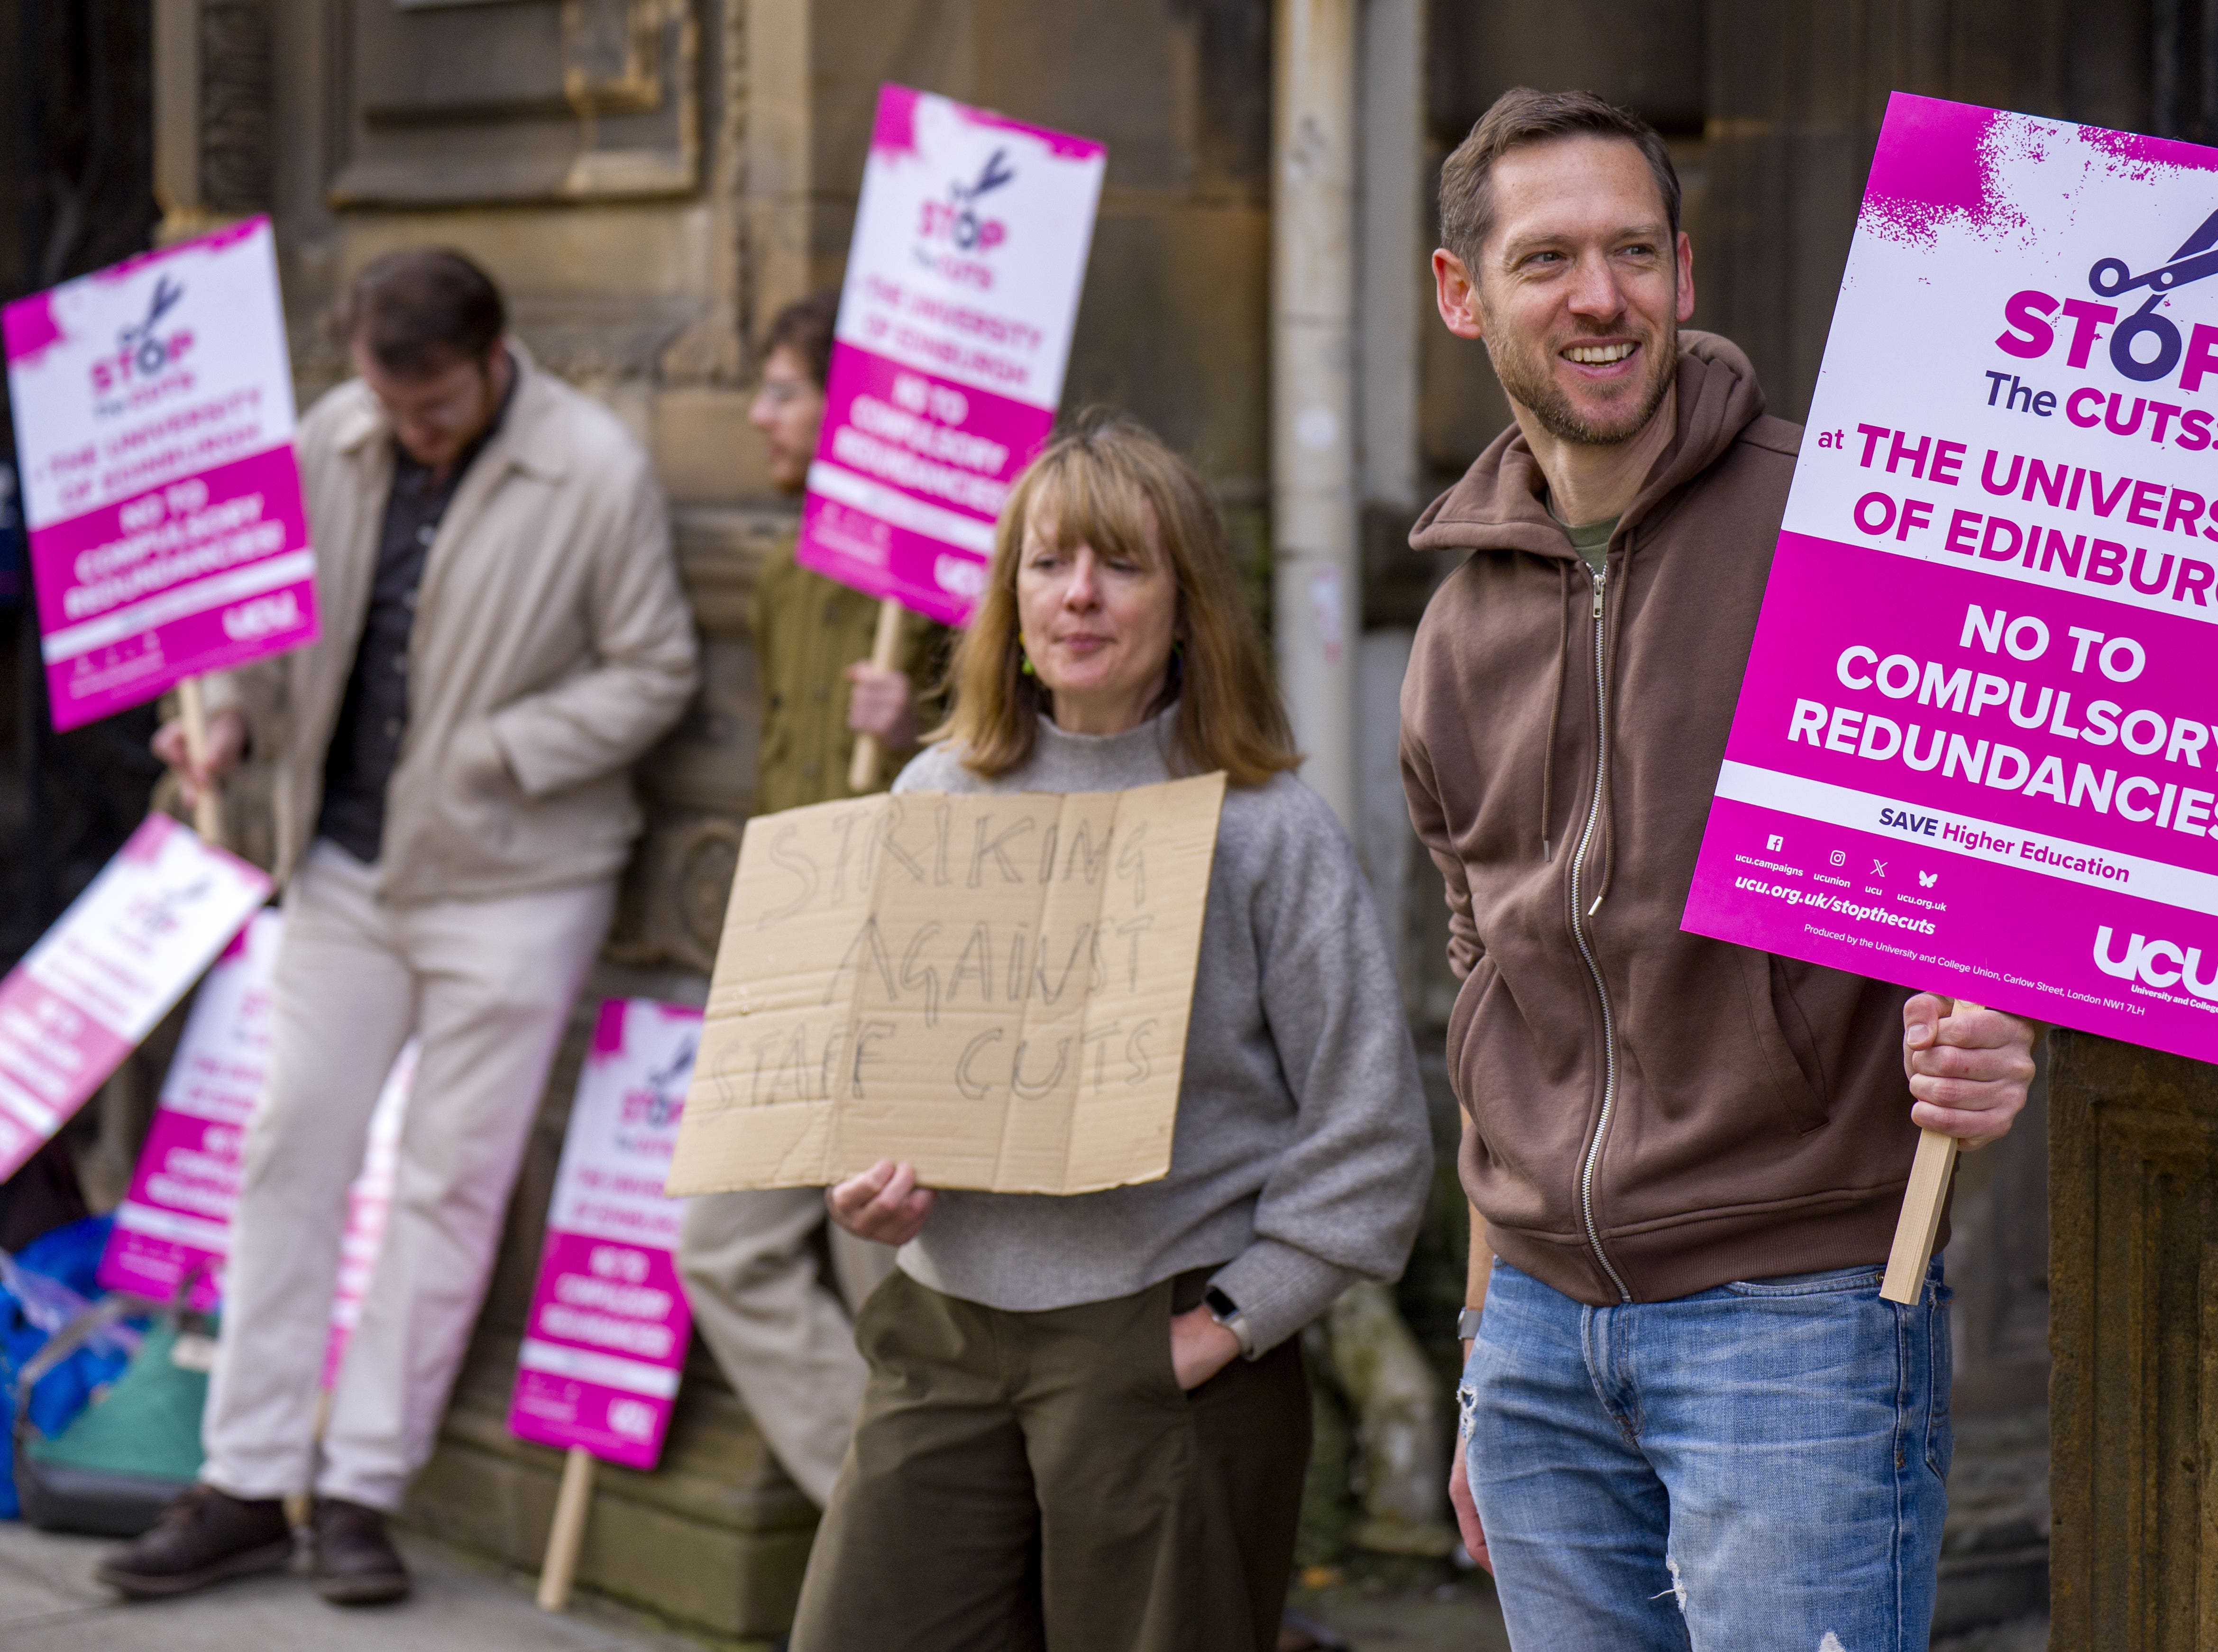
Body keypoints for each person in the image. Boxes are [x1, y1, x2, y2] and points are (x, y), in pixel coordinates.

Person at [1399, 89, 2039, 1651]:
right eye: (1546, 258)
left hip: (1795, 1313)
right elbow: (1488, 986)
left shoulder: (1842, 528)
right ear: (1459, 292)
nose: (1597, 296)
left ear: (1684, 275)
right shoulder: (1452, 626)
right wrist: (1490, 1335)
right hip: (1539, 1341)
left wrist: (2003, 1016)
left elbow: (2018, 820)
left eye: (1630, 251)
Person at [101, 249, 698, 1606]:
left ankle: (363, 1486)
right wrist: (237, 716)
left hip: (520, 882)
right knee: (284, 1153)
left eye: (432, 406)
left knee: (448, 1183)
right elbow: (266, 623)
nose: (408, 429)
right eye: (389, 401)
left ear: (496, 358)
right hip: (344, 865)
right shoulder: (332, 433)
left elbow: (656, 665)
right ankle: (248, 1479)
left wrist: (502, 748)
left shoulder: (594, 467)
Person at [791, 413, 1432, 1652]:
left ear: (1187, 602)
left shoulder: (1265, 827)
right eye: (1048, 564)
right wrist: (861, 1181)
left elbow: (1372, 1139)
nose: (1078, 596)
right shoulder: (935, 794)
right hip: (944, 1329)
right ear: (1008, 595)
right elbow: (873, 1074)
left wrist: (1227, 1326)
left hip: (1161, 1334)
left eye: (1120, 565)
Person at [674, 293, 946, 1513]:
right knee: (721, 1249)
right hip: (789, 952)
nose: (757, 414)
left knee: (881, 1282)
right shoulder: (788, 564)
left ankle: (928, 1564)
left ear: (854, 416)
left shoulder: (958, 574)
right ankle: (887, 1526)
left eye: (785, 389)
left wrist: (921, 721)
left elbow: (1042, 752)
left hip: (898, 965)